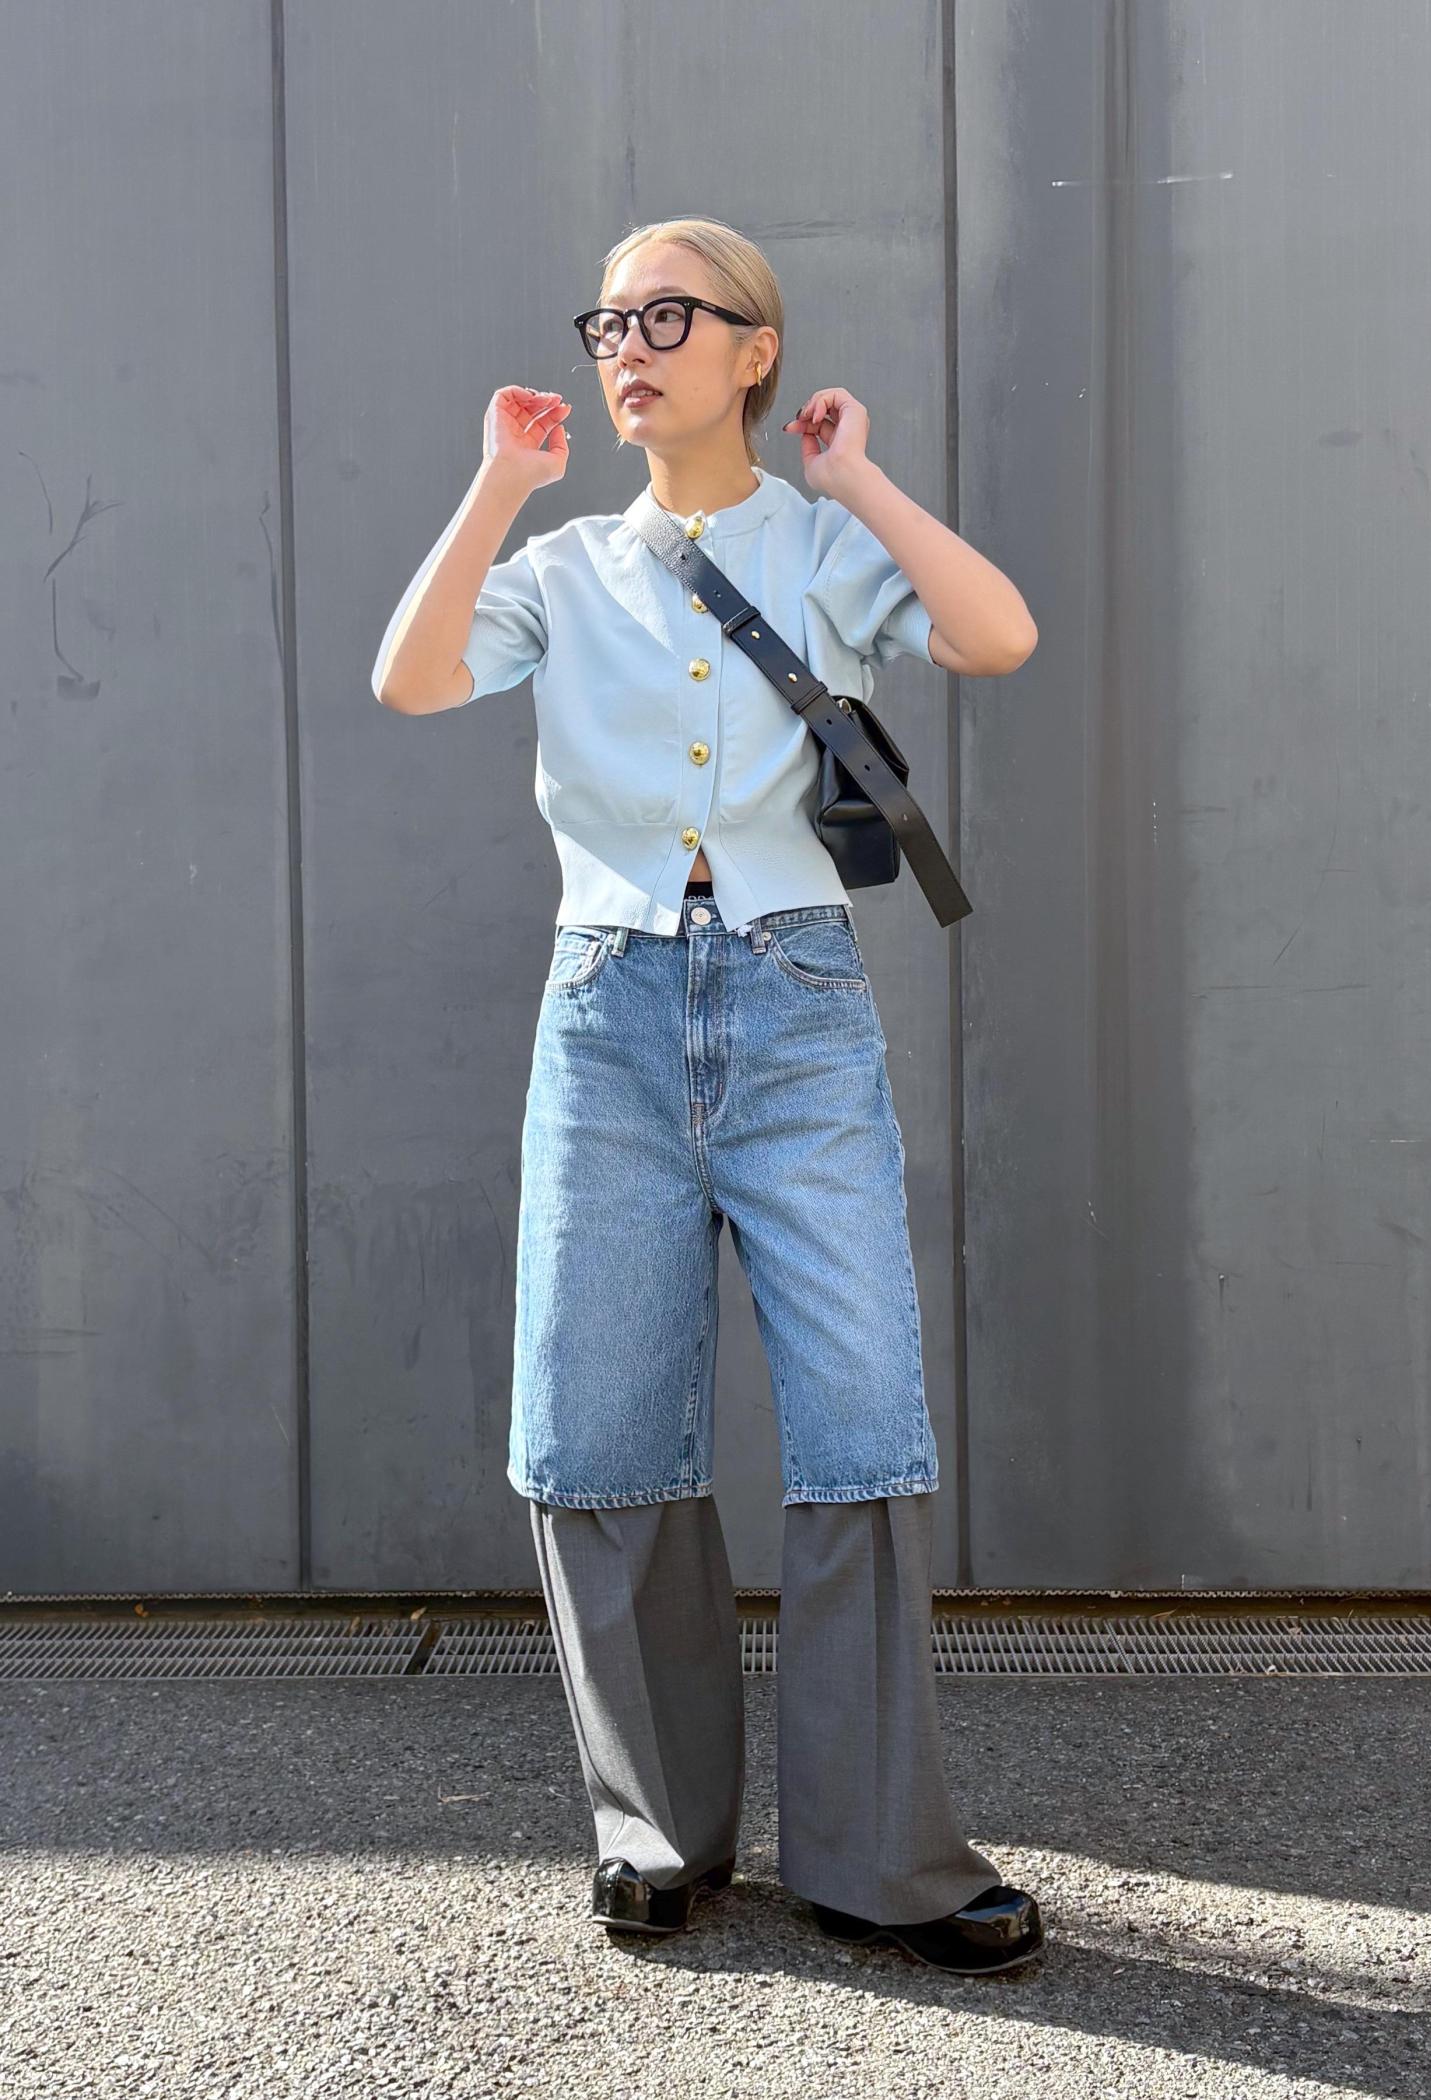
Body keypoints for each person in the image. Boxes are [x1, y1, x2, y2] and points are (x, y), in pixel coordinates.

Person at [372, 218, 1043, 1977]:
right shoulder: (567, 561)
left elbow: (996, 633)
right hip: (605, 1002)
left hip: (795, 994)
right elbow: (411, 677)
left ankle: (880, 1860)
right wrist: (497, 487)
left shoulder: (822, 546)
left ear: (756, 350)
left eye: (671, 315)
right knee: (597, 1417)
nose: (629, 345)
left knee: (860, 1410)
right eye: (609, 320)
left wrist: (860, 478)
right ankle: (656, 1830)